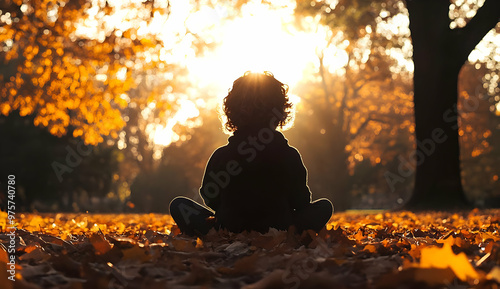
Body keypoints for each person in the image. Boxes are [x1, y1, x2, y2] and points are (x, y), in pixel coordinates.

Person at [169, 71, 333, 235]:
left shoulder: (221, 156)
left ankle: (211, 234)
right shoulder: (290, 155)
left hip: (229, 229)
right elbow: (302, 201)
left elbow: (209, 196)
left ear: (231, 111)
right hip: (279, 230)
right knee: (324, 207)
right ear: (280, 111)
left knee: (179, 205)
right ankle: (292, 233)